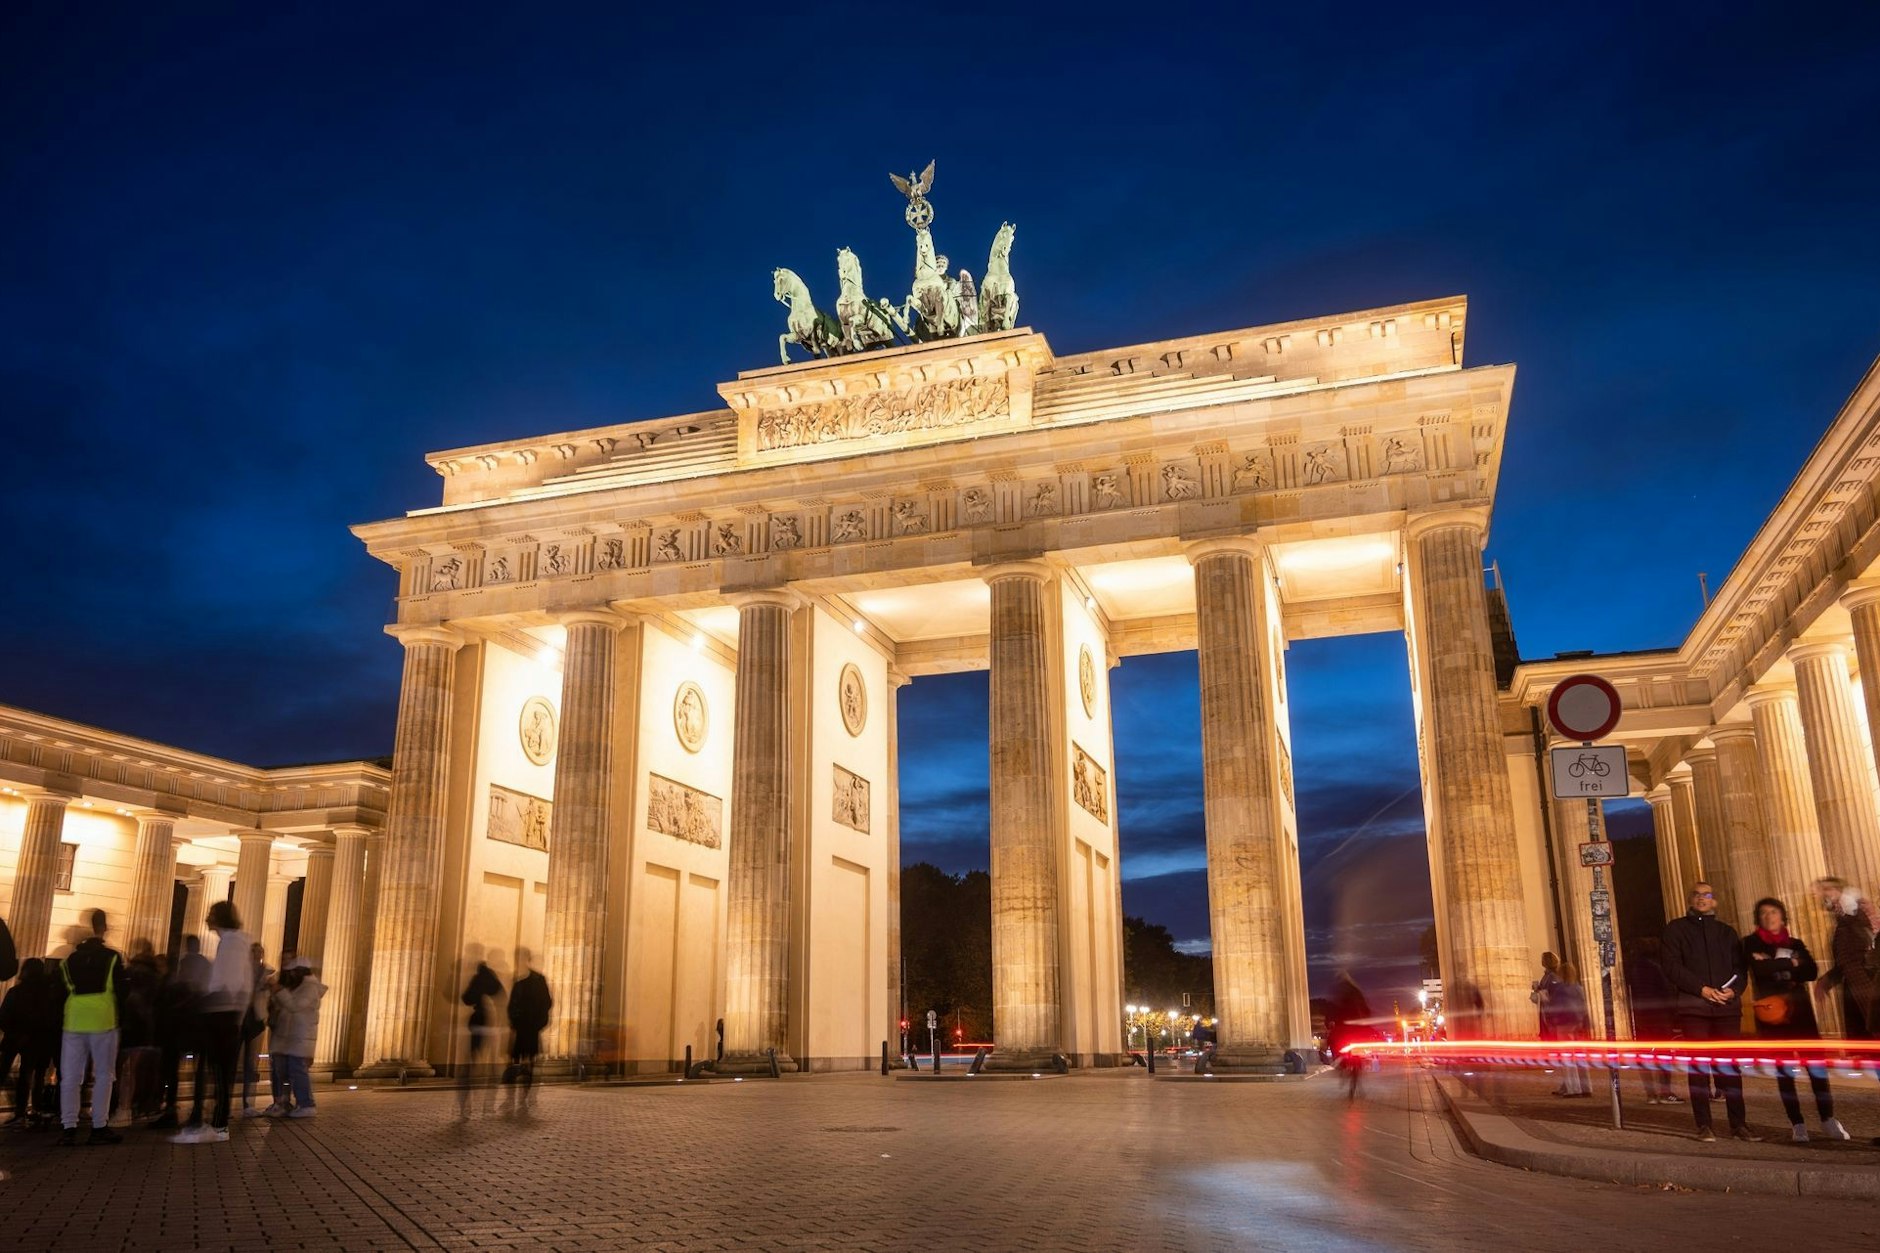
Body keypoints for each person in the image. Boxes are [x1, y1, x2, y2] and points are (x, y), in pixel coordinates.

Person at [1744, 896, 1850, 1143]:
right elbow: (1759, 971)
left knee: (1817, 1069)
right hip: (1773, 1017)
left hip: (1801, 1015)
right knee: (1785, 1073)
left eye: (1774, 912)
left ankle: (1827, 1119)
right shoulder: (1750, 942)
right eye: (1764, 914)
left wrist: (1774, 963)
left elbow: (1811, 971)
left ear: (1782, 916)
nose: (1769, 917)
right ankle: (1797, 1123)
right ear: (1759, 919)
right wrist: (1791, 963)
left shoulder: (1796, 942)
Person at [1662, 881, 1759, 1142]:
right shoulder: (1676, 929)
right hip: (1695, 1008)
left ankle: (1739, 1124)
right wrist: (1701, 989)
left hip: (1726, 1009)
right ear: (1690, 899)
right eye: (1697, 894)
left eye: (1707, 895)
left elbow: (1741, 969)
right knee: (1699, 1069)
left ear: (1714, 900)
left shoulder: (1727, 932)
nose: (1702, 899)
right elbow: (1672, 966)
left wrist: (1734, 990)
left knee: (1730, 1068)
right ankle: (1703, 1124)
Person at [172, 901, 255, 1144]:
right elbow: (244, 983)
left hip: (220, 1012)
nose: (207, 918)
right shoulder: (237, 942)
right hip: (227, 1013)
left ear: (220, 917)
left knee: (216, 1070)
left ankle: (216, 1125)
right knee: (217, 1070)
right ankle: (212, 1123)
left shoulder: (230, 943)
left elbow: (227, 981)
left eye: (211, 914)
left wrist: (203, 995)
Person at [58, 908, 128, 1145]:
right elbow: (122, 990)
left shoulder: (70, 960)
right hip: (103, 1020)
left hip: (73, 1020)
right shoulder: (112, 957)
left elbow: (59, 991)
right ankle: (99, 1126)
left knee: (70, 1077)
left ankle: (68, 1127)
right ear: (105, 927)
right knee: (104, 1075)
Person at [150, 934, 208, 1129]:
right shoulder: (203, 969)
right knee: (197, 1070)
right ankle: (196, 1109)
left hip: (179, 1027)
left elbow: (166, 1000)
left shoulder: (181, 971)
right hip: (196, 1026)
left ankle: (171, 1109)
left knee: (172, 1069)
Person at [1813, 877, 1880, 1039]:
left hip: (1867, 990)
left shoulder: (1856, 916)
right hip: (1856, 992)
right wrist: (1827, 980)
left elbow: (1862, 955)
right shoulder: (1844, 923)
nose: (1823, 897)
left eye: (1827, 890)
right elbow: (1846, 959)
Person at [1, 958, 58, 1128]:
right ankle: (35, 1110)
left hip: (15, 1038)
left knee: (7, 1072)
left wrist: (15, 1033)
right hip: (39, 1040)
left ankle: (20, 1113)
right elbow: (50, 1018)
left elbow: (3, 1016)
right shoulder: (48, 994)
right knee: (36, 1076)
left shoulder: (16, 992)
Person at [266, 956, 323, 1119]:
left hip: (300, 1036)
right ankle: (285, 1102)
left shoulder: (310, 987)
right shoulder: (299, 986)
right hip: (290, 1036)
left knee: (297, 1070)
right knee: (284, 1071)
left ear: (300, 972)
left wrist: (278, 990)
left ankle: (306, 1103)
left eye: (292, 972)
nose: (290, 975)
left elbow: (295, 1006)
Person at [113, 940, 162, 1125]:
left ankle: (123, 1107)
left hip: (130, 1024)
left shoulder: (132, 973)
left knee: (125, 1070)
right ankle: (141, 1106)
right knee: (139, 1070)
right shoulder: (155, 974)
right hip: (147, 1027)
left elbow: (125, 996)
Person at [1626, 938, 1681, 1104]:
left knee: (1644, 1057)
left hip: (1642, 1017)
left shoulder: (1634, 969)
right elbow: (1666, 992)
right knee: (1663, 1056)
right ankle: (1665, 1092)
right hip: (1659, 1017)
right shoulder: (1657, 968)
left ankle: (1650, 1094)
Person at [459, 950, 504, 1117]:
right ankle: (488, 1105)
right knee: (492, 1065)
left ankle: (466, 1106)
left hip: (477, 1023)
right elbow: (502, 998)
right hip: (490, 1025)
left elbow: (466, 998)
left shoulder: (477, 979)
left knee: (472, 1061)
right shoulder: (493, 981)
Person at [505, 949, 552, 1107]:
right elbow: (512, 1005)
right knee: (516, 1061)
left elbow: (546, 1003)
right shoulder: (519, 981)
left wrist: (539, 1024)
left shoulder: (538, 980)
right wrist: (515, 1022)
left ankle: (524, 1097)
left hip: (530, 1027)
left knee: (528, 1062)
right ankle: (512, 1097)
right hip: (522, 1027)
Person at [239, 942, 276, 1117]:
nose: (257, 954)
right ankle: (224, 1103)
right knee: (234, 1062)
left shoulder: (268, 973)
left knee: (250, 1064)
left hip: (256, 1019)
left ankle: (248, 1104)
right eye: (254, 951)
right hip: (240, 1018)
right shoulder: (242, 971)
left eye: (259, 951)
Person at [1546, 962, 1592, 1098]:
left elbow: (1556, 1007)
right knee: (1580, 1057)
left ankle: (1573, 1088)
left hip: (1564, 1024)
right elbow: (1584, 1006)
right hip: (1578, 1024)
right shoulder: (1578, 988)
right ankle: (1586, 1087)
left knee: (1567, 1057)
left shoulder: (1559, 989)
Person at [1325, 970, 1372, 1100]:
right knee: (1340, 1042)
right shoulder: (1355, 993)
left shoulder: (1346, 994)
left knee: (1336, 1041)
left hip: (1349, 1027)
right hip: (1354, 1027)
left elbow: (1337, 1008)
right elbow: (1365, 1010)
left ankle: (1341, 1064)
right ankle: (1347, 1066)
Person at [1529, 952, 1562, 1040]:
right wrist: (1536, 989)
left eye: (1543, 959)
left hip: (1550, 1012)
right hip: (1545, 1010)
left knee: (1551, 1036)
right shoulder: (1546, 976)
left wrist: (1539, 992)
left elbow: (1554, 993)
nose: (1541, 961)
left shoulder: (1553, 977)